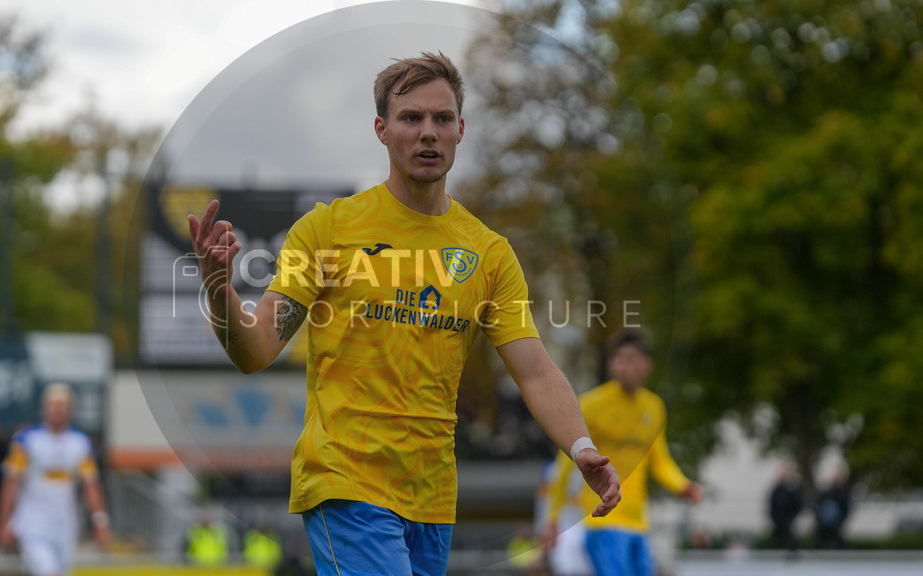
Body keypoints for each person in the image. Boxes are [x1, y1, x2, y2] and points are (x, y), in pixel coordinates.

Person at [187, 52, 621, 576]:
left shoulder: (489, 253)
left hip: (431, 498)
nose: (427, 132)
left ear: (460, 130)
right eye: (411, 118)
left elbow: (536, 372)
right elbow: (255, 350)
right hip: (346, 483)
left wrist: (581, 446)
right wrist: (219, 289)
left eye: (442, 118)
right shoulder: (327, 229)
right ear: (382, 130)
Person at [544, 328, 703, 576]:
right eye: (616, 358)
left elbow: (660, 461)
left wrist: (683, 485)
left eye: (629, 359)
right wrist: (552, 519)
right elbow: (563, 465)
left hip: (638, 522)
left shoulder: (654, 407)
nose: (621, 365)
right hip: (602, 520)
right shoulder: (591, 404)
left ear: (647, 364)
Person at [0, 384, 111, 576]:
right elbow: (10, 483)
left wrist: (100, 521)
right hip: (32, 524)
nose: (58, 410)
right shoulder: (26, 440)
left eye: (63, 406)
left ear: (71, 410)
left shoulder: (80, 443)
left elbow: (90, 484)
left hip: (65, 526)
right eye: (54, 405)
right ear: (44, 409)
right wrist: (4, 522)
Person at [768, 461, 804, 552]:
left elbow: (798, 506)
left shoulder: (793, 490)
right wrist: (777, 520)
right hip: (778, 526)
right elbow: (772, 508)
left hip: (789, 526)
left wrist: (790, 519)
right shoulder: (776, 490)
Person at [814, 468, 851, 549]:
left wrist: (837, 523)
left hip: (836, 528)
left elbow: (845, 511)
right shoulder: (824, 494)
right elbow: (817, 508)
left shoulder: (843, 496)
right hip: (822, 528)